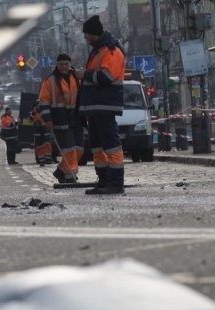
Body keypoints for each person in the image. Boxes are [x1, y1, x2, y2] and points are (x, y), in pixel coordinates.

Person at [74, 15, 126, 194]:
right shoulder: (98, 50)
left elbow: (106, 77)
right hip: (95, 106)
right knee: (97, 147)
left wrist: (84, 74)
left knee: (111, 145)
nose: (85, 37)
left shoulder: (110, 50)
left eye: (86, 34)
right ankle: (104, 180)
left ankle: (116, 183)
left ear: (93, 33)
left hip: (105, 105)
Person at [38, 53, 83, 183]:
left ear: (70, 64)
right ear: (57, 65)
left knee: (79, 150)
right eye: (61, 64)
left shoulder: (77, 78)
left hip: (76, 119)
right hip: (60, 120)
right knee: (69, 150)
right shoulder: (50, 81)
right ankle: (70, 177)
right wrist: (48, 120)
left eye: (66, 64)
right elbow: (43, 102)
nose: (64, 67)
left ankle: (61, 171)